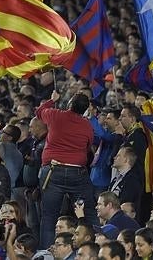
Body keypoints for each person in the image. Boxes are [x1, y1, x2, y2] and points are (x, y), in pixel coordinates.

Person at [35, 91, 97, 248]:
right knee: (87, 214)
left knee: (49, 217)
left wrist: (52, 100)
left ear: (69, 104)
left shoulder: (56, 115)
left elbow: (39, 113)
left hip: (52, 172)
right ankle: (95, 250)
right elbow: (88, 146)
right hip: (77, 175)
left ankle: (47, 255)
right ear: (84, 110)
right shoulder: (87, 125)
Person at [109, 146, 142, 211]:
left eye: (118, 156)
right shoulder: (116, 179)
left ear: (126, 160)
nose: (114, 158)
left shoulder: (132, 180)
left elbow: (125, 206)